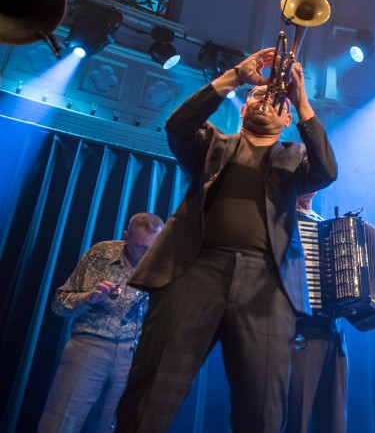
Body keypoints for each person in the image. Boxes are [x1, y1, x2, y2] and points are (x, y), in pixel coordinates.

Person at [115, 47, 338, 432]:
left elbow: (326, 171)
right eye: (257, 95)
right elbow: (177, 126)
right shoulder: (212, 144)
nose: (266, 99)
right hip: (193, 271)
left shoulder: (294, 158)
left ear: (286, 119)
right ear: (242, 109)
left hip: (267, 285)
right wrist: (235, 76)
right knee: (151, 396)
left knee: (263, 409)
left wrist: (300, 99)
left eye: (278, 100)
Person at [286, 191, 375, 433]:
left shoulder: (326, 226)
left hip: (333, 334)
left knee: (333, 421)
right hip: (297, 331)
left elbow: (358, 300)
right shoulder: (282, 224)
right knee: (294, 418)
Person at [37, 213, 164, 433]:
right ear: (126, 236)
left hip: (132, 354)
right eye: (140, 247)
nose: (147, 255)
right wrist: (90, 298)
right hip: (89, 346)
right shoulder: (101, 254)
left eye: (152, 248)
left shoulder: (163, 263)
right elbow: (58, 305)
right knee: (60, 422)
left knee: (114, 426)